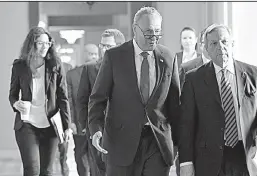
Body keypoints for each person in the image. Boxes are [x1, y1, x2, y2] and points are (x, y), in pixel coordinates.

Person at [88, 6, 180, 176]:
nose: (153, 38)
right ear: (135, 29)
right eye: (148, 32)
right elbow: (97, 99)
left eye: (157, 32)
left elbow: (175, 104)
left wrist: (177, 143)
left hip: (158, 142)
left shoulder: (168, 57)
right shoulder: (115, 57)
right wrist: (96, 129)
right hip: (120, 143)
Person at [178, 24, 257, 176]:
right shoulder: (193, 79)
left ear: (232, 44)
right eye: (214, 43)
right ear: (206, 49)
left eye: (224, 42)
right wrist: (186, 161)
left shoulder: (254, 74)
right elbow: (186, 123)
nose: (221, 47)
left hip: (244, 155)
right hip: (207, 159)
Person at [9, 26, 71, 176]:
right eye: (40, 43)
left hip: (50, 125)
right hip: (26, 125)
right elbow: (12, 94)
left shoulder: (55, 65)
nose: (45, 47)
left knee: (47, 171)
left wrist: (67, 126)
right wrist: (16, 104)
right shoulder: (19, 66)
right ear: (32, 43)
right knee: (31, 169)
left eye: (47, 43)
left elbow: (63, 97)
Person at [77, 29, 125, 176]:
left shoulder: (128, 69)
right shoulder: (90, 68)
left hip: (123, 129)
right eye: (102, 45)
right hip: (98, 128)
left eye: (108, 46)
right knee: (99, 171)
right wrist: (87, 126)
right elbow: (82, 100)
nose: (104, 49)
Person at [66, 43, 99, 176]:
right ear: (84, 55)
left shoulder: (103, 72)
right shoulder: (72, 74)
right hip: (79, 123)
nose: (93, 56)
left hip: (97, 123)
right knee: (80, 153)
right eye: (90, 53)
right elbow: (69, 99)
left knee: (95, 156)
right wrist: (71, 121)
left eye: (95, 54)